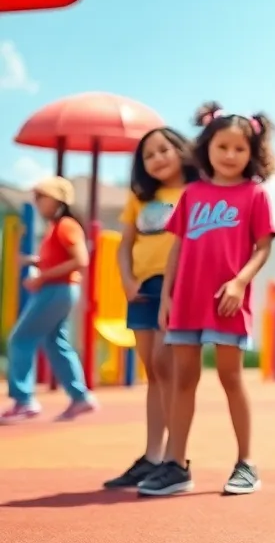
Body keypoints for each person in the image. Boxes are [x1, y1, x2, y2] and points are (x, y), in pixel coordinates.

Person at [136, 104, 275, 498]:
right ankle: (176, 464)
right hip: (186, 301)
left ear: (252, 153)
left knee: (231, 378)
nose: (230, 155)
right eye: (223, 146)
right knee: (183, 380)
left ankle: (245, 462)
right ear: (207, 147)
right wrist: (166, 296)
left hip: (227, 302)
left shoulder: (254, 194)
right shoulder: (192, 193)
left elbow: (262, 247)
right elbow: (177, 247)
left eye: (240, 148)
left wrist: (238, 283)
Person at [105, 127, 200, 488]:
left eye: (163, 150)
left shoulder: (194, 191)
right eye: (148, 155)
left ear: (180, 150)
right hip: (142, 288)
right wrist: (128, 280)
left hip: (175, 287)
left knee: (168, 367)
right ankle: (152, 456)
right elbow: (124, 244)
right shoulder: (140, 197)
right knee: (153, 373)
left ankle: (177, 458)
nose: (157, 159)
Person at [1, 176, 98, 423]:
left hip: (55, 291)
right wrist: (34, 262)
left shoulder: (65, 225)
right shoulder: (56, 228)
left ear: (58, 199)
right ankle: (80, 397)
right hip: (59, 291)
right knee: (56, 343)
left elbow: (80, 260)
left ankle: (24, 400)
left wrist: (41, 276)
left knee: (20, 339)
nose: (37, 202)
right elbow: (60, 259)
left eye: (41, 197)